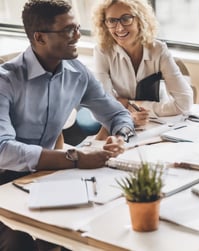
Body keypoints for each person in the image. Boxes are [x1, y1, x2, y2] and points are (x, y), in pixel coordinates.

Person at [0, 0, 134, 250]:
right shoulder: (6, 81)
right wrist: (75, 158)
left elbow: (117, 114)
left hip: (45, 178)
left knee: (93, 227)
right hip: (4, 182)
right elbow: (2, 150)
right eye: (68, 30)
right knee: (19, 241)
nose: (77, 36)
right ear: (39, 37)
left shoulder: (77, 72)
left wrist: (121, 137)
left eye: (78, 28)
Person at [92, 0, 193, 139]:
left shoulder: (158, 49)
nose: (119, 28)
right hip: (122, 123)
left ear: (140, 19)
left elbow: (184, 103)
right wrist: (128, 115)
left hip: (160, 124)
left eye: (126, 19)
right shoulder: (102, 51)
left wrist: (129, 104)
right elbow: (103, 104)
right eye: (112, 21)